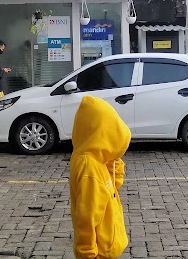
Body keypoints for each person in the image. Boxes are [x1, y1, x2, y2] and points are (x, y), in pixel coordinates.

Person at [69, 96, 130, 259]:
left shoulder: (94, 156)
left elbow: (114, 184)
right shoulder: (89, 168)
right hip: (101, 252)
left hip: (107, 243)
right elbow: (87, 218)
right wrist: (88, 254)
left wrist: (112, 159)